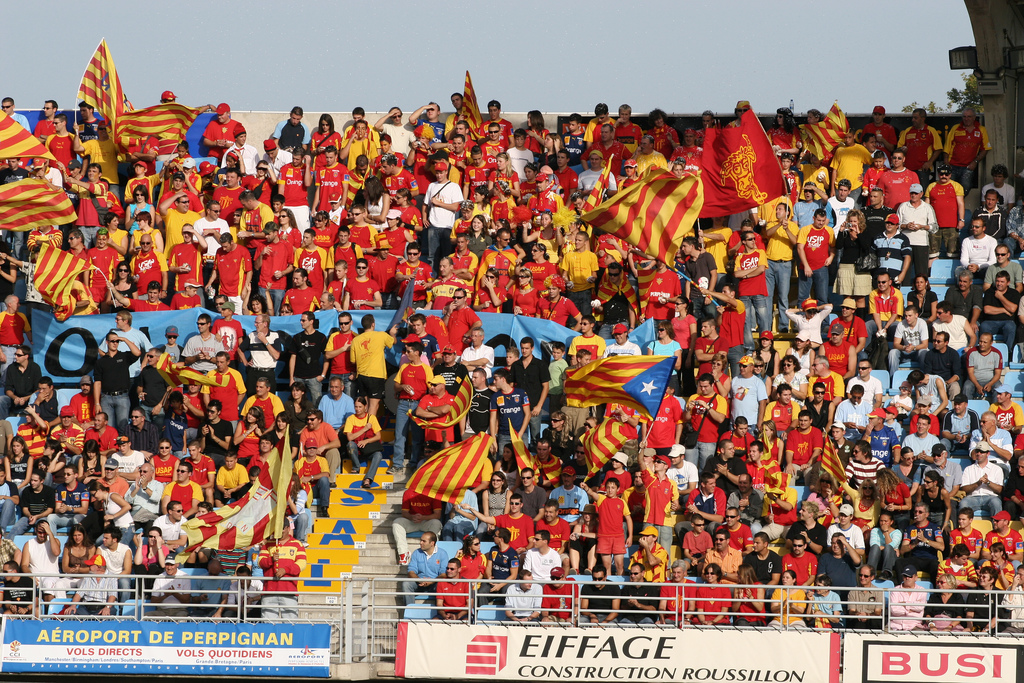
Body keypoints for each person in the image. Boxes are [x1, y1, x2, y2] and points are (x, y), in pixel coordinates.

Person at [256, 522, 306, 620]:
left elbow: (302, 564)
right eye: (276, 528)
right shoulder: (267, 544)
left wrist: (285, 570)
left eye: (281, 528)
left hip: (289, 590)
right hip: (269, 591)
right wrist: (271, 560)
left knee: (290, 624)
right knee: (268, 624)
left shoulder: (297, 544)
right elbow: (260, 562)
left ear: (288, 528)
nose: (278, 532)